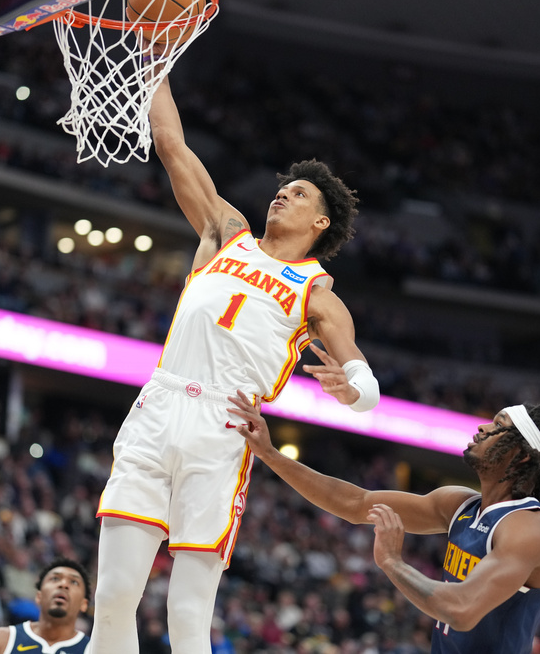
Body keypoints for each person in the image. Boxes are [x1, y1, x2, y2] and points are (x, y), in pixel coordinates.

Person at [90, 71, 378, 654]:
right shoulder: (227, 233)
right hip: (160, 403)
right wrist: (155, 64)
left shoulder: (317, 292)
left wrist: (354, 391)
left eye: (300, 194)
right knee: (115, 594)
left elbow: (362, 378)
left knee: (186, 614)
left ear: (321, 223)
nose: (283, 194)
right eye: (283, 188)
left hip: (224, 428)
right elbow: (172, 145)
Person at [228, 395, 540, 654]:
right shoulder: (460, 504)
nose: (483, 427)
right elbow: (355, 503)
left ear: (522, 454)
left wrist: (392, 563)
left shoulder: (528, 528)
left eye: (498, 426)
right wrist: (270, 455)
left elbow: (461, 609)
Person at [0, 557, 91, 654]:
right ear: (38, 596)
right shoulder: (2, 639)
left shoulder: (92, 650)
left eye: (74, 582)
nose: (63, 584)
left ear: (84, 604)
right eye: (55, 578)